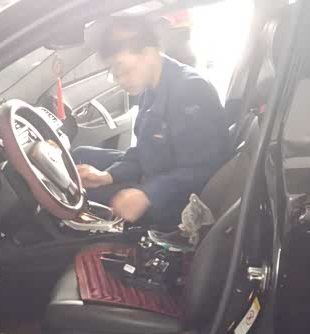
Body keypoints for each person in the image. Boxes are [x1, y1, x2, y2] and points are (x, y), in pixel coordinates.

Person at [73, 16, 230, 226]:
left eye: (123, 68)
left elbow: (205, 169)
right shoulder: (153, 86)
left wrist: (147, 194)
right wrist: (107, 175)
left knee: (80, 196)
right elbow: (144, 150)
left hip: (179, 200)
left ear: (148, 54)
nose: (119, 79)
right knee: (80, 155)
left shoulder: (189, 90)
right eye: (114, 72)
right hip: (158, 172)